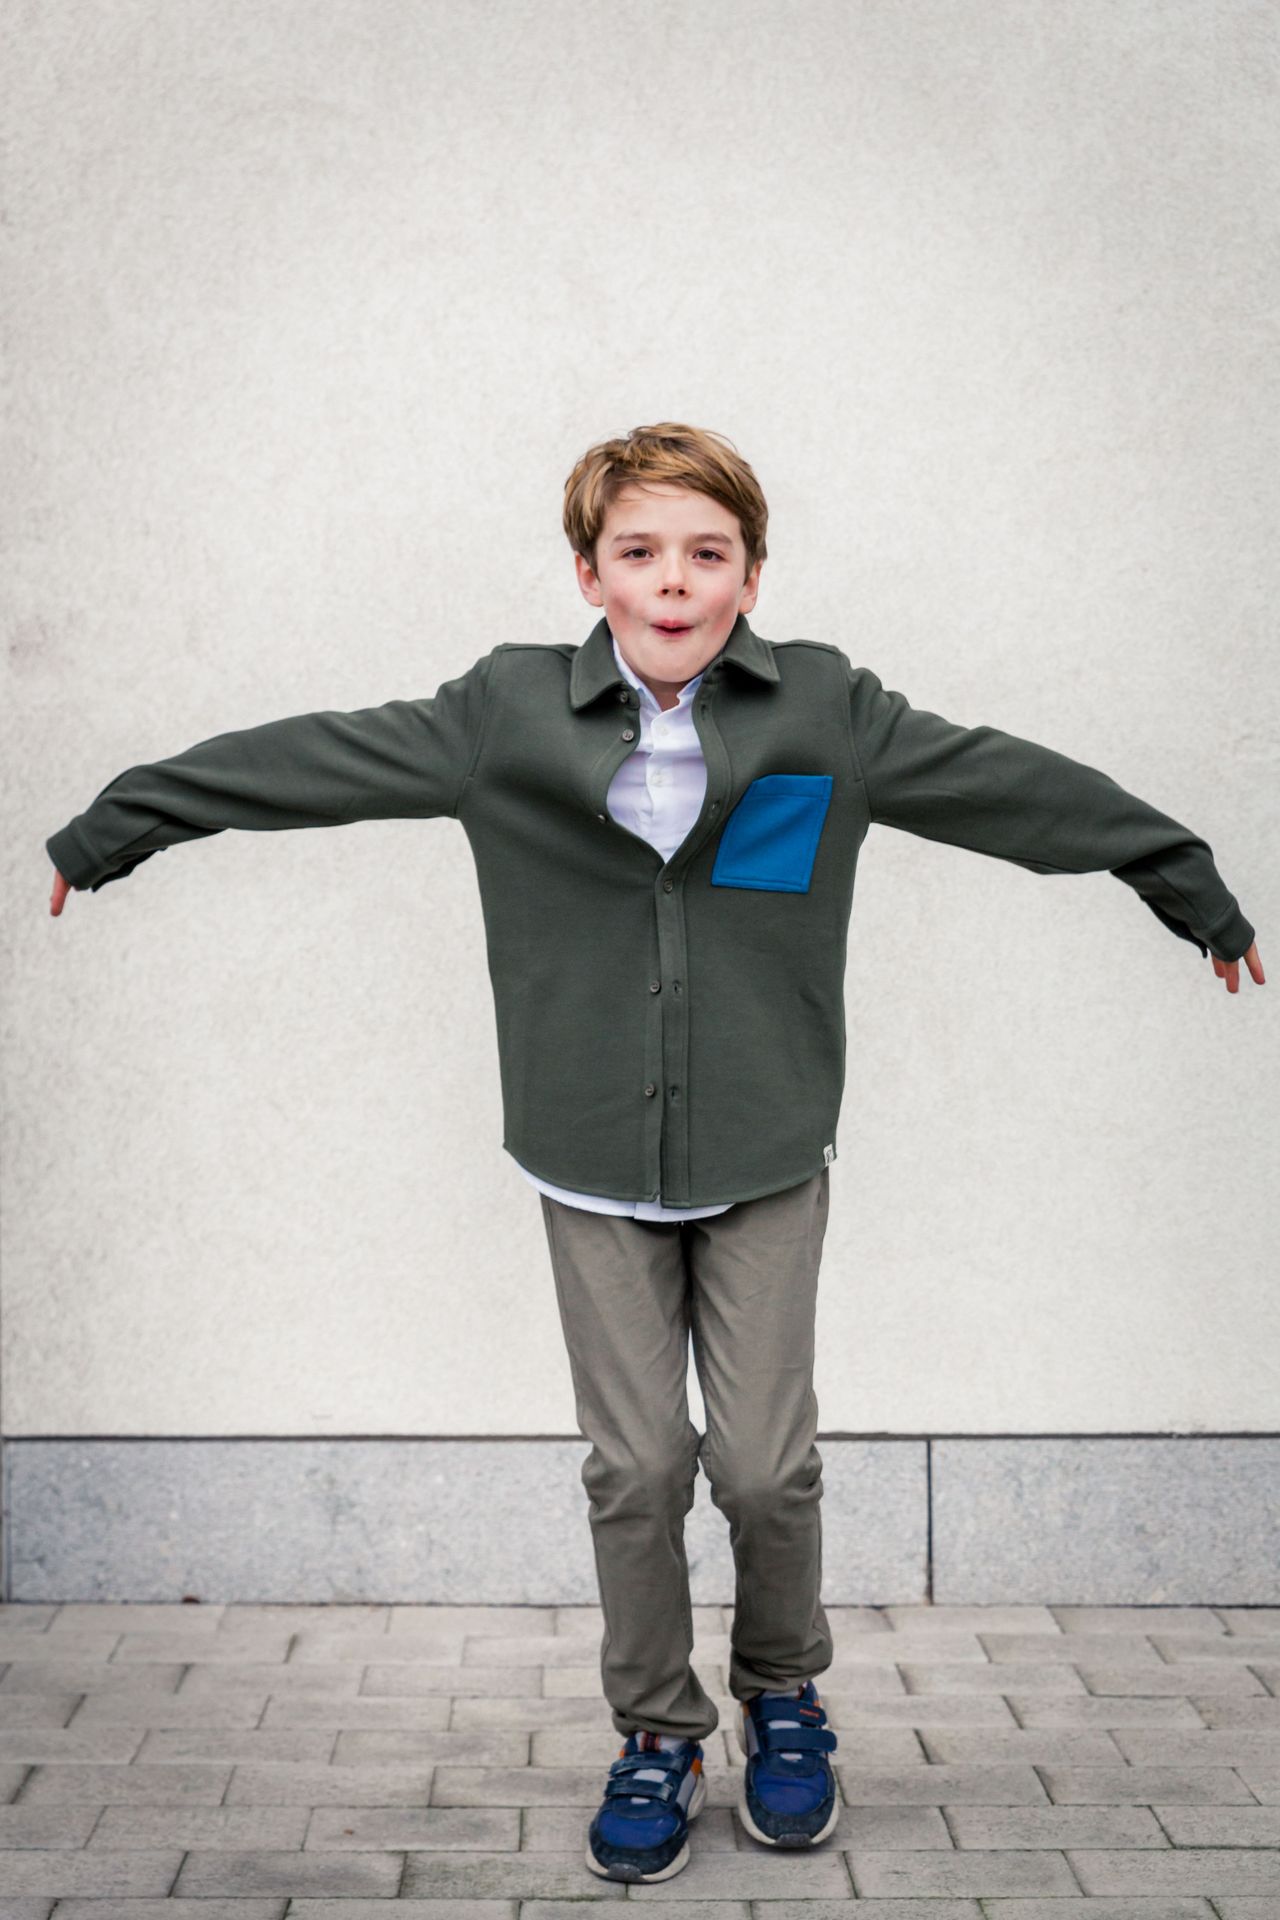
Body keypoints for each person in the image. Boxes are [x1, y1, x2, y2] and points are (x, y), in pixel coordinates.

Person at [46, 420, 1263, 1886]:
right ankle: (657, 1732)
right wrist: (121, 825)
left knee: (761, 1468)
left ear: (751, 577)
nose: (674, 582)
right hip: (588, 1155)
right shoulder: (502, 716)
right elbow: (309, 761)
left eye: (708, 554)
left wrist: (1178, 877)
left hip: (762, 1147)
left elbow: (1014, 788)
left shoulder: (826, 715)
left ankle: (784, 1697)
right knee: (636, 1468)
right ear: (589, 575)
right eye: (640, 553)